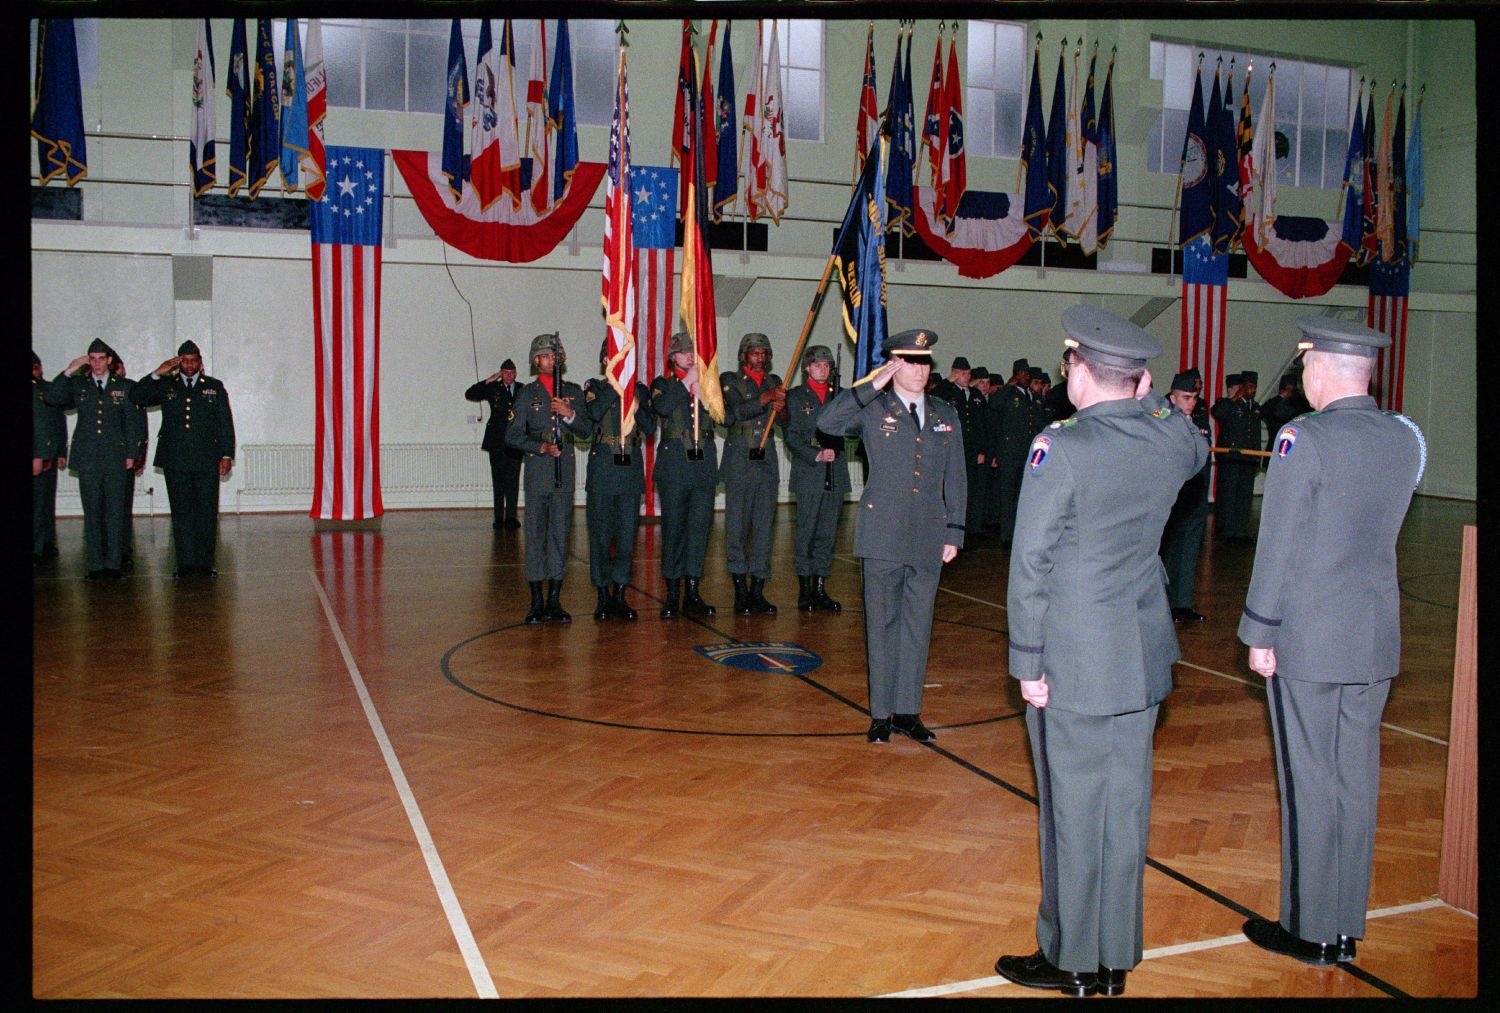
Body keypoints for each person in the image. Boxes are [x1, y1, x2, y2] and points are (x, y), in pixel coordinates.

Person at [995, 305, 1208, 998]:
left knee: (1072, 810)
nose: (1065, 374)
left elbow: (1030, 563)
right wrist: (1156, 405)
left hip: (1073, 656)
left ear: (1082, 371)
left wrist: (1026, 662)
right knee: (1125, 806)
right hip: (1140, 651)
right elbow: (1193, 437)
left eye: (1069, 363)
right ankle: (1116, 951)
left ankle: (1072, 956)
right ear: (1141, 381)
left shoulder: (1063, 447)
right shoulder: (1168, 443)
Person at [1239, 317, 1424, 968]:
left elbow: (1280, 544)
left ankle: (1310, 928)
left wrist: (1260, 631)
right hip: (1374, 635)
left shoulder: (1304, 439)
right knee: (1356, 782)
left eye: (1307, 364)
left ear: (1323, 368)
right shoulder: (1403, 439)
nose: (1303, 376)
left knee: (1311, 781)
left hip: (1312, 638)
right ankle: (1345, 921)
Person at [816, 328, 966, 745]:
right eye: (909, 361)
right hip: (881, 532)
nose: (919, 370)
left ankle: (907, 711)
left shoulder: (944, 414)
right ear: (893, 364)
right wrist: (871, 384)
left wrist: (954, 529)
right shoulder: (871, 409)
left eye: (924, 361)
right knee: (881, 624)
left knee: (917, 625)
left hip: (929, 534)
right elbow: (826, 422)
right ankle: (880, 714)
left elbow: (956, 477)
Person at [131, 340, 237, 578]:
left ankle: (205, 564)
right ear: (178, 362)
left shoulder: (214, 386)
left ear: (200, 362)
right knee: (181, 513)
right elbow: (136, 396)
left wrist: (226, 454)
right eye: (184, 361)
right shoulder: (167, 385)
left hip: (206, 460)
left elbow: (225, 423)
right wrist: (158, 372)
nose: (189, 365)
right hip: (175, 461)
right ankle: (185, 564)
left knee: (206, 513)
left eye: (193, 361)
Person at [505, 333, 591, 624]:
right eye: (544, 355)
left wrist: (569, 413)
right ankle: (536, 601)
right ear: (535, 360)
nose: (550, 359)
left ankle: (555, 598)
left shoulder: (573, 392)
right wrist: (540, 446)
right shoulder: (527, 395)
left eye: (554, 355)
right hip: (538, 472)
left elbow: (585, 431)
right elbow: (512, 435)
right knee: (535, 535)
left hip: (563, 474)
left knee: (560, 534)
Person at [43, 339, 147, 579]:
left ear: (109, 360)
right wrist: (69, 370)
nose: (97, 363)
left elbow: (132, 423)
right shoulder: (78, 385)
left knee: (114, 513)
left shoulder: (125, 386)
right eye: (92, 358)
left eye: (101, 358)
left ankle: (113, 565)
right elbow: (52, 397)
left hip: (116, 458)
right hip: (88, 457)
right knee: (92, 513)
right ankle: (96, 566)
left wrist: (132, 454)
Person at [582, 339, 656, 621]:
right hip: (603, 470)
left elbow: (649, 428)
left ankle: (621, 594)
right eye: (613, 358)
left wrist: (636, 404)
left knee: (627, 538)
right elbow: (592, 414)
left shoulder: (639, 390)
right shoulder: (594, 387)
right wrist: (615, 387)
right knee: (600, 537)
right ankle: (602, 595)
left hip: (629, 471)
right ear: (604, 361)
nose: (619, 363)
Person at [650, 331, 720, 620]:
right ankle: (672, 594)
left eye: (693, 352)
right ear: (672, 357)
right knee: (675, 530)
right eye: (684, 352)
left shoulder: (708, 382)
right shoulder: (663, 384)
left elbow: (724, 418)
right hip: (675, 467)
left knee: (699, 531)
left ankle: (693, 591)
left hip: (702, 465)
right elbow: (661, 407)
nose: (690, 356)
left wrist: (709, 397)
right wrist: (686, 382)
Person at [719, 332, 787, 615]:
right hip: (739, 460)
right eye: (754, 352)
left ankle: (758, 589)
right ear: (743, 355)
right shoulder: (729, 381)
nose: (760, 357)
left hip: (767, 461)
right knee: (737, 527)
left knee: (763, 527)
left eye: (763, 353)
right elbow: (732, 414)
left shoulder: (775, 382)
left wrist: (781, 408)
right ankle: (740, 590)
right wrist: (764, 399)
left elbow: (786, 422)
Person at [783, 345, 850, 611]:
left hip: (835, 471)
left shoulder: (841, 397)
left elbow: (854, 430)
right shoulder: (797, 398)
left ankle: (821, 587)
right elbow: (791, 437)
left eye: (827, 365)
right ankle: (805, 589)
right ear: (808, 368)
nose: (823, 369)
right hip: (810, 472)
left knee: (827, 533)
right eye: (818, 364)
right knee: (806, 532)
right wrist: (815, 454)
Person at [1159, 370, 1213, 623]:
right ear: (1173, 397)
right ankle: (1162, 604)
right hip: (1170, 498)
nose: (1191, 403)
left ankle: (1182, 604)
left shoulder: (1199, 420)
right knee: (1164, 551)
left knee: (1189, 551)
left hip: (1194, 498)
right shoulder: (1161, 421)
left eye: (1194, 397)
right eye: (1186, 397)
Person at [465, 358, 524, 529]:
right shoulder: (493, 388)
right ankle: (499, 517)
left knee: (513, 479)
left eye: (512, 373)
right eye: (505, 372)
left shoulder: (522, 389)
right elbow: (471, 394)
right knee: (498, 480)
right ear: (501, 373)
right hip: (496, 440)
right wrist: (489, 379)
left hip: (515, 440)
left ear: (516, 374)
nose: (509, 376)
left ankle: (511, 516)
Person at [1211, 369, 1263, 541]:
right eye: (1248, 387)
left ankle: (1239, 531)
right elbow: (1218, 413)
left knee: (1244, 496)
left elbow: (1255, 433)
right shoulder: (1229, 404)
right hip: (1230, 457)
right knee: (1228, 494)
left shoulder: (1254, 407)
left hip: (1248, 458)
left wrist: (1257, 456)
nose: (1252, 391)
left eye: (1254, 387)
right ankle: (1225, 530)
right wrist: (1234, 397)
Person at [109, 349, 147, 571]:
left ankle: (122, 549)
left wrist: (139, 453)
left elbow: (139, 425)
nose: (120, 371)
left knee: (122, 507)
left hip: (125, 457)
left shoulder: (130, 390)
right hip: (103, 457)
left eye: (119, 367)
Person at [33, 351, 69, 563]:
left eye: (36, 367)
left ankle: (43, 545)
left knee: (45, 503)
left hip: (48, 456)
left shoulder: (47, 390)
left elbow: (58, 422)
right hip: (39, 455)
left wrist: (61, 452)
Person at [994, 358, 1034, 546]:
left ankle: (1021, 533)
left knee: (1023, 496)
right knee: (1008, 496)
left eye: (1028, 374)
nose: (1026, 377)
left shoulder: (1031, 396)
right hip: (1010, 454)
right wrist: (1007, 387)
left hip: (1027, 454)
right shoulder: (1008, 395)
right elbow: (993, 405)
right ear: (1015, 375)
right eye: (1022, 374)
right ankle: (1007, 536)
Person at [966, 367, 998, 537]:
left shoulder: (986, 400)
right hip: (975, 453)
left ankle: (976, 526)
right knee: (973, 491)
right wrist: (979, 451)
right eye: (982, 383)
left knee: (981, 491)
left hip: (987, 451)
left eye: (987, 383)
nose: (985, 386)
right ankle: (971, 528)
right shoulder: (973, 400)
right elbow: (977, 430)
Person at [1259, 371, 1311, 467]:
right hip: (1274, 451)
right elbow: (1262, 411)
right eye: (1287, 389)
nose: (1290, 393)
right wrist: (1281, 397)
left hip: (1294, 452)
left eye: (1292, 390)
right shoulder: (1273, 404)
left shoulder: (1300, 405)